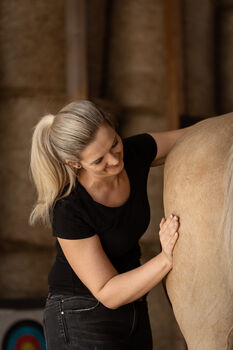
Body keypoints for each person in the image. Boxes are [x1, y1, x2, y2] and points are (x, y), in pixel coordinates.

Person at [29, 100, 187, 350]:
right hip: (80, 313)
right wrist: (166, 258)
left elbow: (195, 137)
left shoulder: (133, 153)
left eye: (114, 142)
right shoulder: (68, 207)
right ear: (75, 163)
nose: (114, 160)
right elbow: (107, 291)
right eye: (99, 160)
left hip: (133, 306)